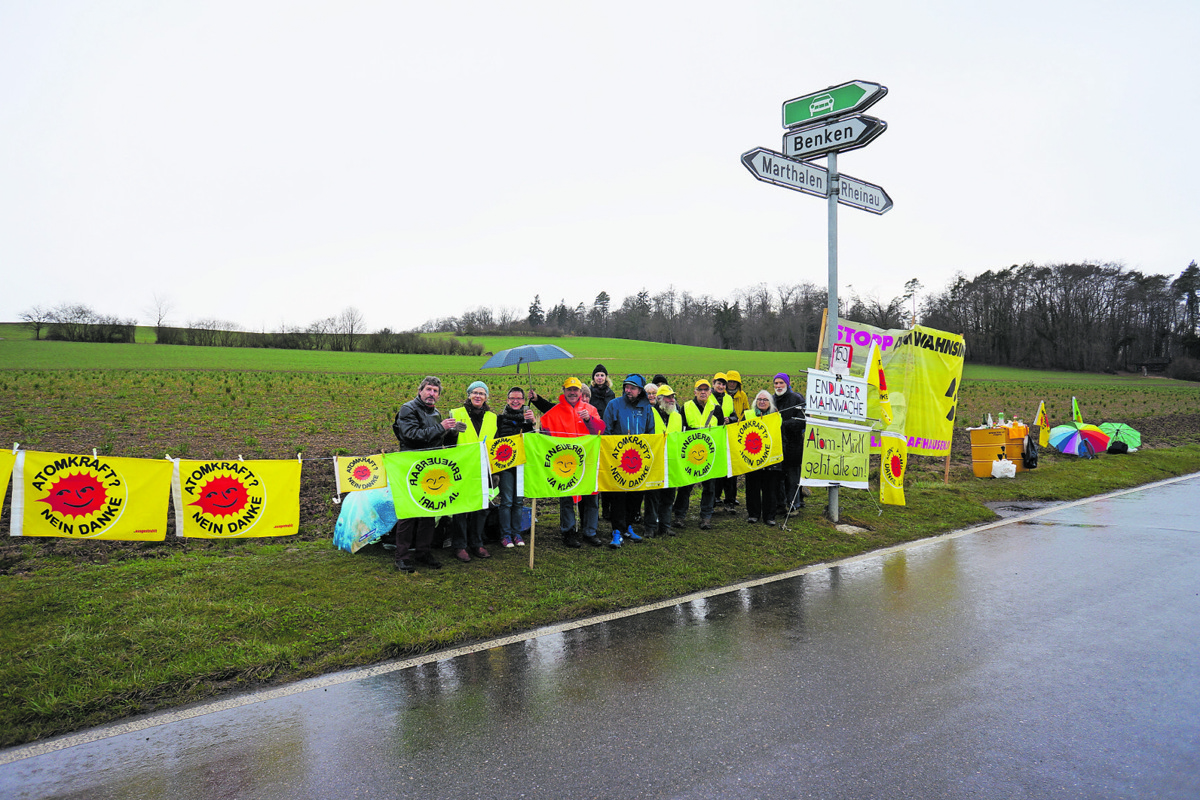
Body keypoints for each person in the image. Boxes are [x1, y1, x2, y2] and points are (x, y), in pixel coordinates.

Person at [390, 376, 458, 572]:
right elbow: (411, 436)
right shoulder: (408, 409)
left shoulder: (436, 413)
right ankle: (402, 557)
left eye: (436, 391)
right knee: (409, 512)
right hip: (411, 466)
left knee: (429, 512)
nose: (432, 394)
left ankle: (423, 552)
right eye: (429, 389)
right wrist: (441, 427)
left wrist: (452, 432)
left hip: (430, 469)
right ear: (420, 391)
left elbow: (437, 440)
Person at [530, 377, 606, 548]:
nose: (572, 393)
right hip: (564, 464)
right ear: (563, 390)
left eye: (576, 390)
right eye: (569, 389)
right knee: (566, 499)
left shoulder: (590, 410)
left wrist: (589, 420)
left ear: (580, 392)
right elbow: (544, 435)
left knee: (592, 498)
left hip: (588, 462)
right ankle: (568, 532)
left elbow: (601, 430)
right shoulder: (554, 412)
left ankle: (590, 532)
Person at [601, 374, 656, 548]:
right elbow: (606, 432)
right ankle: (617, 530)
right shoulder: (614, 405)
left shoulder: (646, 408)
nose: (628, 390)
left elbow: (650, 432)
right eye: (626, 387)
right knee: (618, 495)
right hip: (618, 461)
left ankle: (629, 526)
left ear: (640, 390)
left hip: (638, 461)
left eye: (632, 388)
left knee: (636, 494)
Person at [448, 381, 496, 563]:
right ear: (468, 395)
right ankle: (460, 545)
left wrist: (494, 472)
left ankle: (477, 542)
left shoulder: (492, 417)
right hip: (460, 468)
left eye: (482, 393)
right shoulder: (456, 413)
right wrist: (452, 432)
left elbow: (496, 446)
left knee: (482, 507)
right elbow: (447, 441)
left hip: (483, 469)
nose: (478, 396)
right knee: (461, 508)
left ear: (486, 397)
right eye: (474, 392)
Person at [673, 378, 726, 530]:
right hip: (690, 453)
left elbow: (720, 433)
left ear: (710, 392)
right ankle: (679, 516)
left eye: (706, 390)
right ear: (694, 392)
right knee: (686, 485)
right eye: (700, 390)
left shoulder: (716, 408)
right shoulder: (686, 407)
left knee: (709, 487)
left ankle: (706, 517)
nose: (703, 392)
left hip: (709, 455)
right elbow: (681, 428)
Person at [496, 386, 536, 548]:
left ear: (524, 401)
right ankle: (505, 535)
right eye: (512, 398)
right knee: (506, 501)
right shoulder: (499, 419)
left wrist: (532, 423)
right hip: (505, 465)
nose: (515, 401)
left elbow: (534, 441)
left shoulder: (527, 419)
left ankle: (516, 533)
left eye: (519, 398)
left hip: (521, 465)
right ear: (507, 400)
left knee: (518, 501)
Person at [646, 384, 682, 537]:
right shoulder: (650, 413)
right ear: (660, 399)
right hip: (654, 461)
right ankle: (650, 527)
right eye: (668, 397)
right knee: (652, 496)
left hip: (671, 462)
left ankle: (665, 526)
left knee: (668, 496)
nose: (672, 400)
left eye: (673, 397)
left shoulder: (677, 415)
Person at [744, 390, 780, 526]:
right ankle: (753, 514)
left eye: (765, 400)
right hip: (752, 455)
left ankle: (769, 516)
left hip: (770, 457)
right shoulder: (748, 414)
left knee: (770, 488)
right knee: (752, 486)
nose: (762, 402)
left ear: (770, 402)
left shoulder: (775, 415)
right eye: (759, 399)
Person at [773, 373, 807, 513]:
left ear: (787, 384)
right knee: (778, 476)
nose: (778, 386)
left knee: (793, 476)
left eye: (781, 383)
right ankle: (780, 505)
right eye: (776, 383)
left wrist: (782, 425)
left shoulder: (797, 398)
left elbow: (802, 421)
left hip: (794, 444)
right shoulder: (771, 399)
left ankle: (795, 504)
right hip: (777, 444)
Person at [717, 371, 745, 512]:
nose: (732, 384)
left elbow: (744, 413)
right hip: (718, 436)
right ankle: (717, 497)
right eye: (730, 382)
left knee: (732, 469)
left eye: (734, 382)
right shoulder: (717, 397)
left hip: (735, 434)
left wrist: (734, 420)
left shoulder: (742, 396)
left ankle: (731, 498)